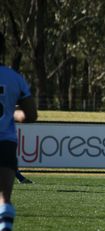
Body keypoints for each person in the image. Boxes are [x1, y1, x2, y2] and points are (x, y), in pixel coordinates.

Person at [0, 32, 38, 231]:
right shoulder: (14, 78)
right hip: (5, 142)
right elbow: (31, 115)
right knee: (4, 198)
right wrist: (13, 114)